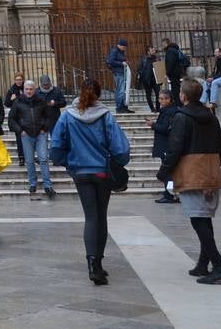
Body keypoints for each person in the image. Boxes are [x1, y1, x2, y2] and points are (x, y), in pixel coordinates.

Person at [50, 79, 132, 285]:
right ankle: (98, 264)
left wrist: (67, 162)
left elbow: (57, 146)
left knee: (90, 217)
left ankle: (91, 263)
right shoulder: (105, 116)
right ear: (99, 94)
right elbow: (120, 148)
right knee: (100, 216)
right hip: (101, 172)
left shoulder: (67, 115)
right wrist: (119, 162)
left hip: (80, 171)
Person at [158, 78, 221, 284]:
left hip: (190, 171)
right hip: (210, 168)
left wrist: (164, 171)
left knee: (198, 221)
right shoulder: (211, 116)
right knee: (204, 219)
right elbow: (220, 146)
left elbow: (175, 146)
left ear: (183, 96)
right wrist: (213, 170)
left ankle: (219, 266)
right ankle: (202, 264)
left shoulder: (182, 117)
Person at [10, 80, 56, 197]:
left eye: (31, 89)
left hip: (41, 134)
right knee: (29, 161)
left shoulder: (41, 100)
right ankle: (33, 183)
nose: (29, 91)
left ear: (34, 90)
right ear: (24, 89)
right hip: (26, 135)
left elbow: (49, 116)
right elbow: (12, 119)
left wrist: (45, 128)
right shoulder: (18, 102)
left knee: (43, 159)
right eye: (27, 89)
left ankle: (47, 185)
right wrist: (20, 131)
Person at [149, 90, 180, 202]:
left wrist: (153, 125)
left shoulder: (169, 112)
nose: (160, 101)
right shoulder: (168, 111)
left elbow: (165, 128)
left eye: (162, 99)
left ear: (169, 99)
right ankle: (170, 194)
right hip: (166, 145)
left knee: (167, 171)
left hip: (167, 145)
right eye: (159, 98)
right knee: (169, 171)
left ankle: (169, 195)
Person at [106, 39, 133, 113]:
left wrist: (125, 62)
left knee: (124, 90)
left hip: (122, 72)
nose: (125, 48)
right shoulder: (114, 51)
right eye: (124, 47)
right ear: (120, 45)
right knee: (120, 90)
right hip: (118, 73)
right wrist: (121, 63)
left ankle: (124, 106)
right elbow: (111, 61)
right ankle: (119, 107)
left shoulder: (121, 51)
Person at [5, 73, 27, 167]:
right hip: (16, 118)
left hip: (26, 116)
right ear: (14, 80)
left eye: (20, 79)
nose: (18, 81)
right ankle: (21, 158)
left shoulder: (27, 88)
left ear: (22, 80)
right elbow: (7, 103)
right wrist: (11, 99)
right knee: (19, 139)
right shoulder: (11, 90)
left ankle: (30, 156)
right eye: (17, 79)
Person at [162, 38, 188, 103]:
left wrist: (167, 73)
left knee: (175, 89)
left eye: (163, 44)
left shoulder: (170, 51)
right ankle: (178, 102)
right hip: (177, 72)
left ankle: (178, 103)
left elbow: (170, 63)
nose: (162, 46)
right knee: (176, 88)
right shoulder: (175, 49)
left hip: (174, 73)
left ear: (166, 43)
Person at [137, 46, 162, 113]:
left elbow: (160, 67)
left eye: (154, 50)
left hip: (156, 79)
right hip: (147, 80)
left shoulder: (157, 58)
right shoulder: (144, 59)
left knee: (158, 94)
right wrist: (143, 75)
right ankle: (152, 108)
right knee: (148, 94)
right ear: (148, 52)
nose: (154, 51)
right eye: (152, 50)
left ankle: (158, 108)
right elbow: (139, 69)